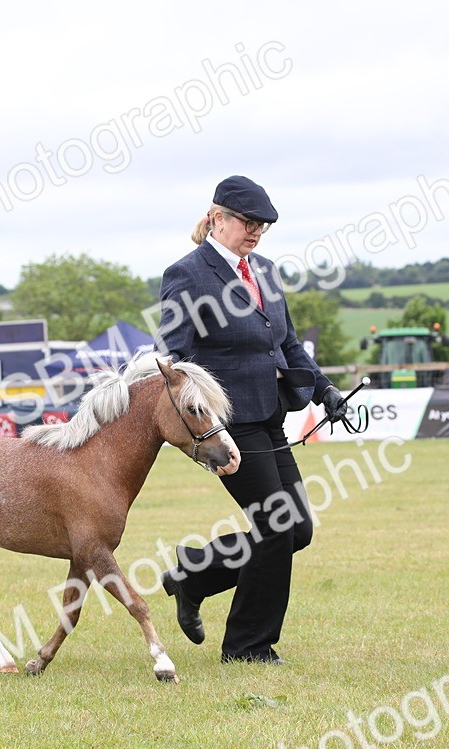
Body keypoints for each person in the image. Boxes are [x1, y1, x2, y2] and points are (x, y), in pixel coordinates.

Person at [157, 175, 348, 665]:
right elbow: (173, 357)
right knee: (274, 528)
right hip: (226, 425)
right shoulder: (188, 275)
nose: (256, 231)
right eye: (247, 221)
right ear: (217, 217)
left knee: (297, 530)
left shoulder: (263, 270)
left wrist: (324, 389)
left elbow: (285, 344)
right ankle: (248, 646)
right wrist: (196, 429)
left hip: (270, 416)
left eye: (262, 224)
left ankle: (194, 574)